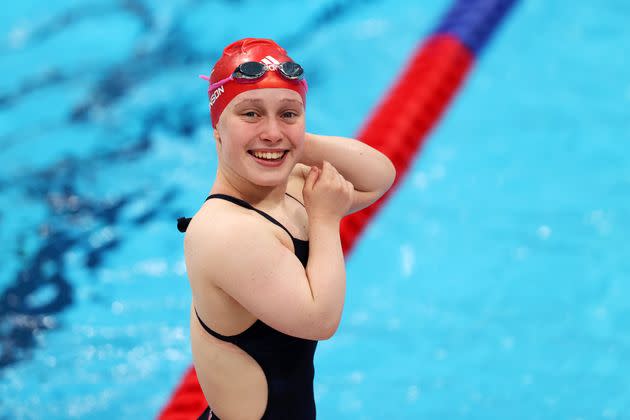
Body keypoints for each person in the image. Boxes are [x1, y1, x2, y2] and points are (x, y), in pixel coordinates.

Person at [178, 38, 396, 420]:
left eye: (289, 113)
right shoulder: (225, 231)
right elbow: (319, 320)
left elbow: (378, 177)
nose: (272, 130)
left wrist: (289, 144)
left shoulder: (290, 185)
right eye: (250, 114)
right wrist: (326, 220)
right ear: (217, 130)